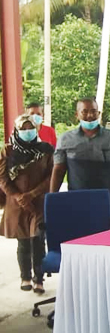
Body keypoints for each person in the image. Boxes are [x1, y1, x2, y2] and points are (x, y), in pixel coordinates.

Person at [49, 98, 110, 227]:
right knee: (80, 235)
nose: (90, 115)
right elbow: (58, 170)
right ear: (77, 115)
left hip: (109, 200)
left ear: (99, 113)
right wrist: (52, 198)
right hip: (77, 200)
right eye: (84, 111)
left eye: (93, 111)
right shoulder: (65, 139)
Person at [0, 114, 54, 294]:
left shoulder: (46, 149)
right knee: (23, 242)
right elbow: (3, 178)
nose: (27, 131)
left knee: (38, 240)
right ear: (16, 130)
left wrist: (32, 194)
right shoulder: (7, 151)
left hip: (39, 202)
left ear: (36, 129)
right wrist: (18, 196)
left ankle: (39, 279)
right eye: (23, 128)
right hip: (16, 204)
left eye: (30, 128)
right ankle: (25, 277)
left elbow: (51, 176)